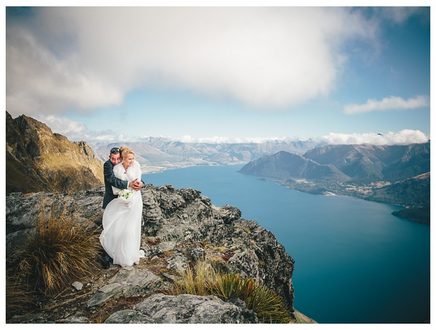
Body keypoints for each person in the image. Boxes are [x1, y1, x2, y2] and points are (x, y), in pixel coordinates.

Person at [100, 146, 145, 270]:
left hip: (129, 200)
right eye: (113, 159)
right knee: (110, 226)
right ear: (109, 157)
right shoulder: (108, 165)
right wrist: (129, 185)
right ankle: (108, 254)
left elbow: (138, 178)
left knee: (125, 227)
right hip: (113, 198)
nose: (115, 161)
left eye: (117, 159)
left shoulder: (130, 164)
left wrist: (141, 184)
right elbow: (111, 180)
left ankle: (124, 251)